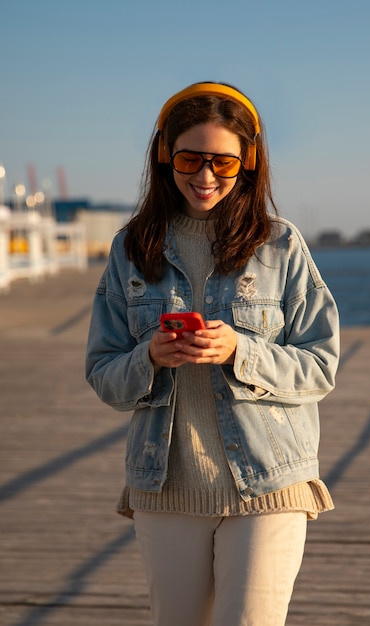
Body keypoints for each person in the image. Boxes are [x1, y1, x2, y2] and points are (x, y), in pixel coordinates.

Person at [85, 81, 340, 626]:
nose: (205, 177)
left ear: (247, 163)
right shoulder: (130, 249)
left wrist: (239, 350)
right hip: (166, 485)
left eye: (222, 163)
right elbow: (104, 374)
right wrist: (148, 356)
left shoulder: (280, 245)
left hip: (269, 482)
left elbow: (321, 365)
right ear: (163, 156)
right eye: (189, 159)